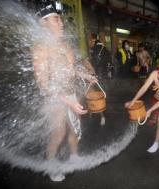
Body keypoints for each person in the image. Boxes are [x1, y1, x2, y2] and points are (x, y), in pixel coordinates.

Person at [32, 4, 96, 181]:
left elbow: (72, 69)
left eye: (60, 19)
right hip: (54, 98)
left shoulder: (65, 45)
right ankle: (50, 164)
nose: (61, 23)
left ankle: (74, 156)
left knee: (75, 129)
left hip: (70, 94)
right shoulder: (41, 49)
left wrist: (86, 75)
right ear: (44, 23)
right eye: (56, 19)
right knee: (58, 133)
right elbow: (44, 85)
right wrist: (67, 102)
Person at [125, 60, 159, 153]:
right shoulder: (154, 74)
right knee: (157, 118)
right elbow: (144, 88)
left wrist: (149, 111)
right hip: (157, 95)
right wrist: (133, 101)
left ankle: (156, 143)